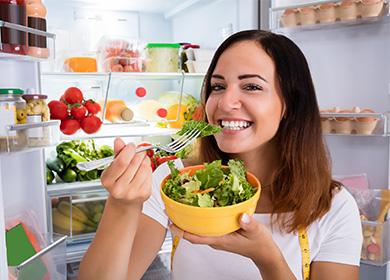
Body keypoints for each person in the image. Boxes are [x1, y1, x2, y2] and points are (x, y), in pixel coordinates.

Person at [79, 30, 363, 280]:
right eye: (218, 86)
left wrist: (268, 259)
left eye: (251, 86)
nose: (225, 102)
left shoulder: (333, 207)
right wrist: (121, 206)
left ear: (290, 103)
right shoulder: (174, 182)